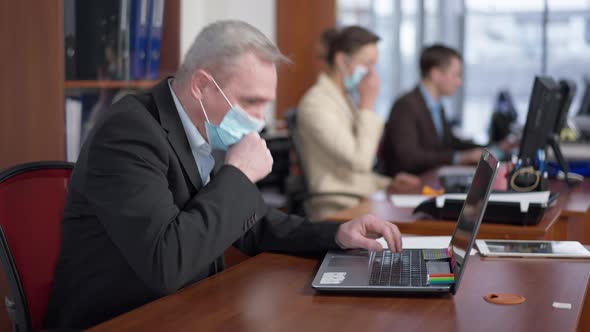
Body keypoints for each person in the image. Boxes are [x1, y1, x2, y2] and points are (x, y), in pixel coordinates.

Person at [43, 20, 404, 329]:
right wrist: (238, 172)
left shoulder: (202, 125)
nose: (260, 119)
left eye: (266, 102)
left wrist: (336, 234)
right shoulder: (129, 132)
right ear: (201, 85)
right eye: (250, 102)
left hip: (186, 308)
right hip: (121, 319)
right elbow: (167, 263)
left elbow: (253, 224)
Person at [297, 26, 421, 219]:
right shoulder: (316, 104)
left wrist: (388, 183)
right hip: (337, 208)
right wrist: (368, 103)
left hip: (358, 199)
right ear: (341, 60)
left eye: (374, 66)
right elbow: (360, 162)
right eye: (367, 64)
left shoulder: (343, 99)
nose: (372, 74)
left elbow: (352, 172)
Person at [381, 44, 484, 176]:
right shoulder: (405, 106)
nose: (459, 82)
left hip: (432, 178)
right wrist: (459, 157)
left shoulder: (436, 105)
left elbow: (448, 143)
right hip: (410, 185)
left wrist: (489, 149)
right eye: (456, 75)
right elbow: (409, 157)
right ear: (436, 75)